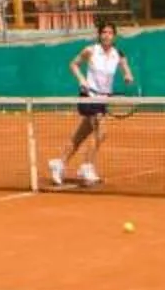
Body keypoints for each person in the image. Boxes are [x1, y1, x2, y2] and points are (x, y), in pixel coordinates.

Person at [49, 21, 133, 190]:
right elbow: (73, 64)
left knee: (80, 135)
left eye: (110, 32)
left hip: (103, 99)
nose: (106, 35)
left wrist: (128, 76)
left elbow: (126, 68)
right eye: (104, 32)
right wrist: (81, 79)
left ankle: (59, 163)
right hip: (89, 95)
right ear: (99, 34)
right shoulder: (90, 50)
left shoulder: (119, 54)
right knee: (101, 132)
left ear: (114, 35)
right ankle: (86, 167)